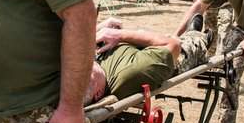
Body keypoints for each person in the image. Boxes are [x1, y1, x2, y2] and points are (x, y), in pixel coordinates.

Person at [85, 18, 213, 103]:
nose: (80, 68)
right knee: (188, 46)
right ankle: (197, 37)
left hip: (141, 49)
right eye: (84, 77)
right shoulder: (129, 72)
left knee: (151, 35)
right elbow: (172, 45)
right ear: (98, 93)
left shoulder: (87, 68)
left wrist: (99, 29)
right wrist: (120, 35)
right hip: (177, 56)